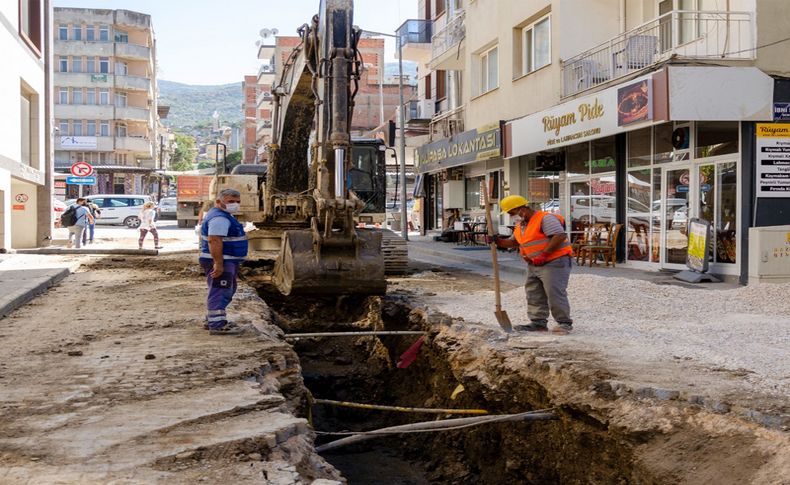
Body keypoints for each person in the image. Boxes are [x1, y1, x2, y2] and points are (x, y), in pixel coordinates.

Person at [492, 195, 574, 334]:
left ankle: (564, 323)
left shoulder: (545, 218)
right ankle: (538, 322)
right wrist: (498, 241)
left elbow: (559, 236)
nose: (511, 216)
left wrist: (544, 255)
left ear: (521, 209)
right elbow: (514, 242)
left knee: (554, 292)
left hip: (554, 261)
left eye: (511, 213)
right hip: (534, 263)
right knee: (533, 292)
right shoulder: (521, 226)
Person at [199, 189, 248, 336]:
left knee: (224, 290)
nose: (235, 205)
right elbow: (214, 240)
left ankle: (213, 320)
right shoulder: (220, 218)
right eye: (231, 202)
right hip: (222, 261)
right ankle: (217, 325)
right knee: (220, 291)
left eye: (237, 202)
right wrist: (218, 264)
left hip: (226, 260)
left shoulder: (223, 216)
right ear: (219, 202)